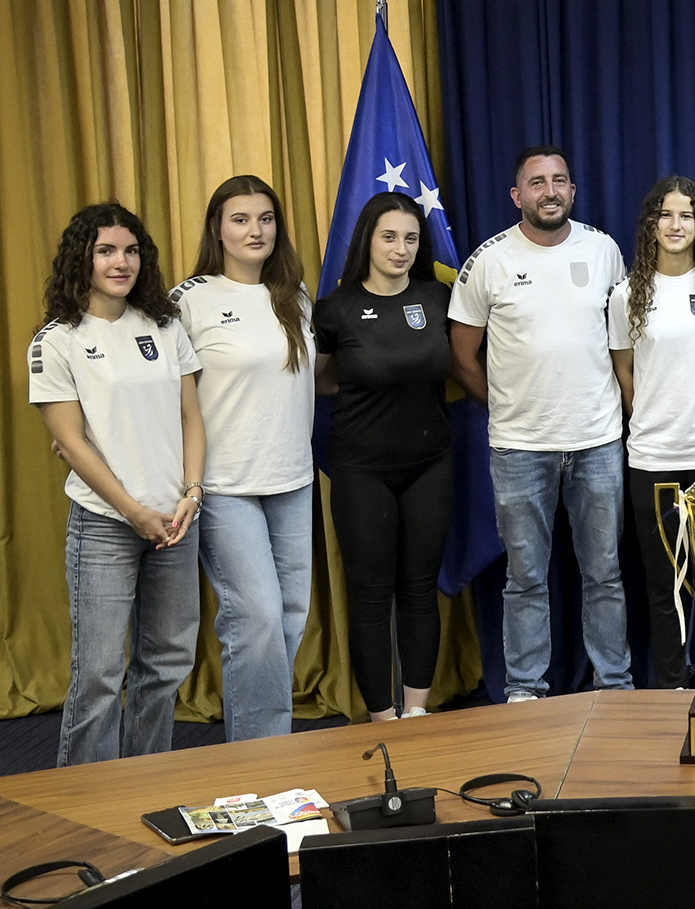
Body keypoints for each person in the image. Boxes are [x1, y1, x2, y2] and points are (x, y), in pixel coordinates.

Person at [450, 145, 632, 701]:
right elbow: (462, 354)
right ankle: (526, 693)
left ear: (572, 191)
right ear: (517, 195)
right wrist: (503, 405)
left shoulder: (603, 250)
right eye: (536, 182)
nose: (549, 191)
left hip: (598, 441)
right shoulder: (489, 261)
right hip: (520, 449)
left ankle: (614, 684)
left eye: (559, 181)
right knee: (525, 579)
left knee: (604, 574)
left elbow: (625, 337)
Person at [29, 202, 205, 765]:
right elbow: (72, 443)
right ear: (82, 257)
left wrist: (192, 494)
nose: (120, 262)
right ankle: (82, 805)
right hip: (107, 525)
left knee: (166, 665)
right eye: (106, 250)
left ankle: (145, 782)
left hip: (176, 521)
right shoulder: (56, 341)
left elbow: (190, 418)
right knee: (100, 674)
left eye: (130, 251)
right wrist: (132, 510)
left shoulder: (163, 324)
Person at [173, 175, 316, 741]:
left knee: (290, 618)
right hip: (223, 485)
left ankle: (262, 741)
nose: (255, 230)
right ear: (217, 229)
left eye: (265, 218)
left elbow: (309, 380)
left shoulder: (295, 295)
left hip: (293, 479)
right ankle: (263, 761)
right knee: (254, 617)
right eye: (240, 219)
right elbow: (158, 389)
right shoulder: (189, 300)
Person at [314, 191, 454, 722]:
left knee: (420, 589)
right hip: (360, 471)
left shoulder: (439, 298)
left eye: (411, 238)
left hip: (431, 464)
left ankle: (415, 714)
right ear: (368, 240)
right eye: (388, 236)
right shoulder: (336, 308)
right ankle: (381, 718)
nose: (400, 248)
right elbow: (320, 380)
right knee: (371, 597)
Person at [611, 175, 695, 691]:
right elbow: (624, 371)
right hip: (653, 457)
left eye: (686, 215)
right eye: (666, 214)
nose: (676, 224)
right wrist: (655, 417)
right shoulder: (626, 294)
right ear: (651, 224)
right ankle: (669, 687)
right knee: (663, 585)